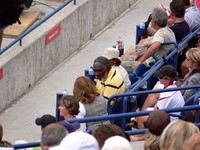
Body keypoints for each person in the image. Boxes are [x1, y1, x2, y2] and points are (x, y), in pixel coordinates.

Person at [122, 8, 176, 85]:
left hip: (150, 65)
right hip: (157, 62)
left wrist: (140, 61)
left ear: (154, 22)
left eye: (151, 19)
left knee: (118, 65)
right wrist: (139, 54)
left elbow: (155, 46)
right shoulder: (168, 30)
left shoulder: (160, 33)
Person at [131, 65, 185, 141]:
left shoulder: (167, 93)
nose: (158, 78)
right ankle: (143, 133)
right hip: (171, 113)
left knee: (140, 118)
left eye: (160, 77)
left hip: (173, 118)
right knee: (145, 111)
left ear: (167, 79)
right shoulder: (172, 85)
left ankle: (143, 136)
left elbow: (158, 111)